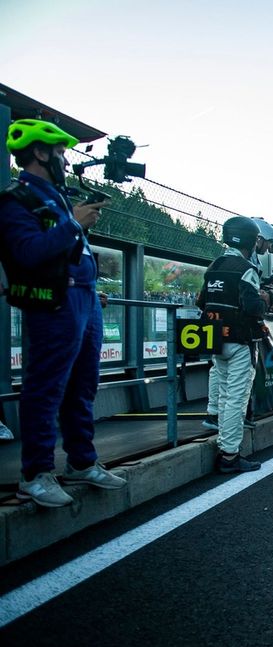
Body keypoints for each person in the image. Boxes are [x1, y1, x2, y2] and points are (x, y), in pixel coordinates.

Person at [0, 119, 126, 507]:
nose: (65, 161)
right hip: (55, 303)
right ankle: (35, 474)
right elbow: (28, 252)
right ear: (39, 153)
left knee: (83, 386)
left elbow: (68, 252)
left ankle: (81, 461)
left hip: (85, 300)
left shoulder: (56, 197)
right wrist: (74, 224)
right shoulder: (15, 200)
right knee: (46, 386)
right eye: (58, 153)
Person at [197, 216, 269, 474]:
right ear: (250, 240)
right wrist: (265, 299)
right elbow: (253, 308)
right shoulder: (246, 268)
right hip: (240, 339)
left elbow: (201, 301)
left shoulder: (214, 266)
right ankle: (229, 455)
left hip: (215, 338)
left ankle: (215, 420)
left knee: (223, 390)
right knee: (236, 398)